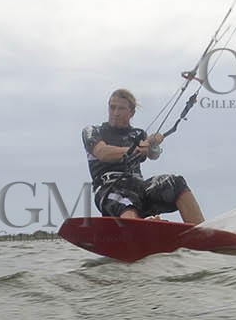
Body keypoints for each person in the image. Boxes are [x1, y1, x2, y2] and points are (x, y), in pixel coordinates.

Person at [81, 89, 205, 224]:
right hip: (109, 188)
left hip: (139, 187)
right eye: (112, 107)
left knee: (175, 183)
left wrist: (153, 144)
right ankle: (138, 228)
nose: (116, 113)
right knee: (127, 202)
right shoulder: (93, 131)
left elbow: (153, 155)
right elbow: (103, 152)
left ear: (131, 112)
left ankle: (202, 232)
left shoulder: (138, 134)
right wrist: (136, 149)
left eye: (121, 108)